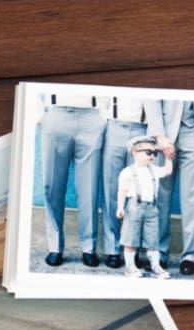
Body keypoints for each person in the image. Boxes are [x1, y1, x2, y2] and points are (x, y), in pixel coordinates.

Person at [40, 92, 107, 268]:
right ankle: (55, 247)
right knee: (51, 185)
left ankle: (89, 248)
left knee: (89, 189)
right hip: (56, 114)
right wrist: (40, 116)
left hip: (92, 116)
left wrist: (103, 116)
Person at [143, 99, 194, 275]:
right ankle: (158, 254)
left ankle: (190, 256)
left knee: (192, 199)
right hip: (163, 134)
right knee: (160, 198)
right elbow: (151, 97)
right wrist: (159, 136)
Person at [100, 96, 148, 269]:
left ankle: (132, 250)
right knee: (111, 189)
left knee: (138, 193)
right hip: (114, 127)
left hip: (143, 129)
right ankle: (112, 249)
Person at [116, 135, 172, 279]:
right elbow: (122, 191)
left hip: (151, 208)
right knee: (131, 237)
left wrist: (168, 157)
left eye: (155, 153)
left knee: (152, 239)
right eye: (148, 152)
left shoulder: (154, 170)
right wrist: (120, 207)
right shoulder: (128, 172)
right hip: (134, 206)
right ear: (134, 152)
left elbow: (167, 171)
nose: (152, 156)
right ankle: (130, 266)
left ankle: (155, 266)